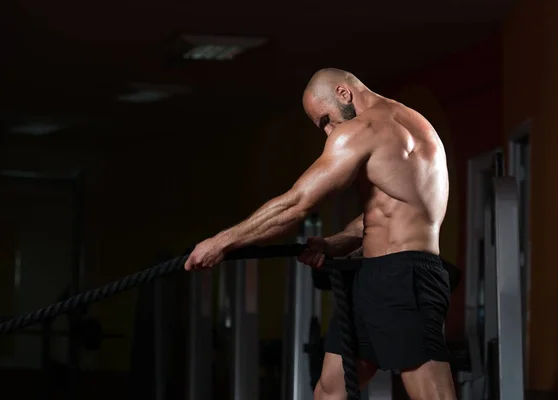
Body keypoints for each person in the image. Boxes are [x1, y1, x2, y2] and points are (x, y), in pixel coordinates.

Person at [184, 68, 456, 400]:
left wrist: (221, 241)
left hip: (403, 278)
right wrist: (334, 243)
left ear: (344, 93)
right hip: (377, 276)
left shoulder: (363, 129)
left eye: (325, 120)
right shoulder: (415, 123)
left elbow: (297, 203)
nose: (328, 132)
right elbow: (393, 207)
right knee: (329, 392)